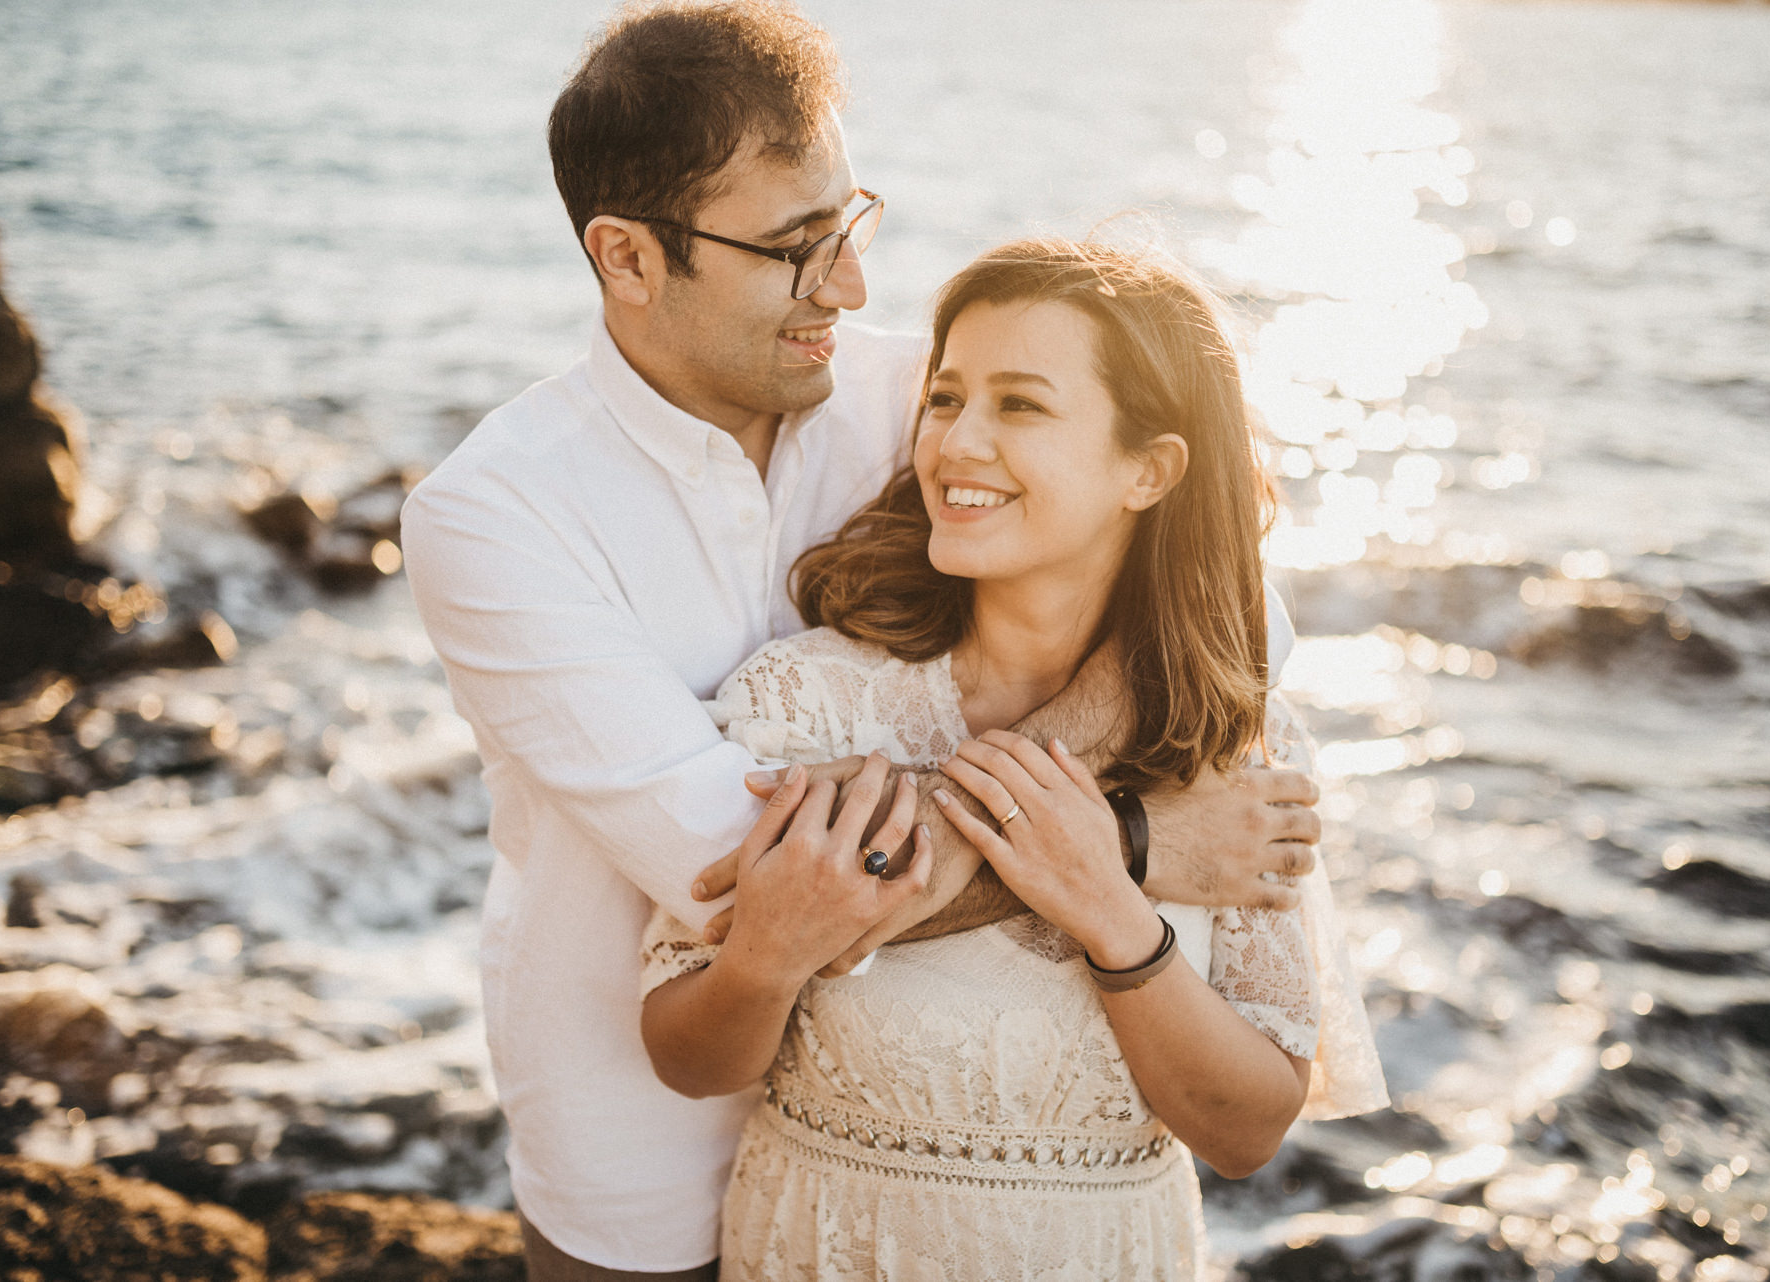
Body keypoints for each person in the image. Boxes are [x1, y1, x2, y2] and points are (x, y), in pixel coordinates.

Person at [401, 4, 1329, 1278]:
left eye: (849, 224)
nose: (849, 284)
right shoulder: (493, 516)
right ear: (626, 257)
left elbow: (1220, 603)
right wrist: (1129, 840)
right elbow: (749, 866)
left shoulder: (917, 404)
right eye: (795, 247)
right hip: (646, 1130)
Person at [639, 238, 1387, 1281]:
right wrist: (768, 954)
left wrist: (1109, 904)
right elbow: (689, 1053)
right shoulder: (805, 696)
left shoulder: (1235, 752)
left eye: (1021, 405)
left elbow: (1248, 1130)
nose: (956, 442)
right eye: (945, 399)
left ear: (1149, 469)